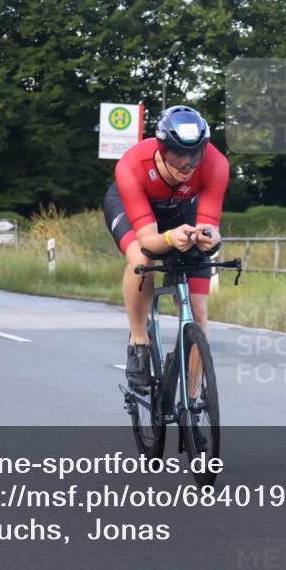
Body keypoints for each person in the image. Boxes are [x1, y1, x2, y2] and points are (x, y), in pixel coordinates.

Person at [103, 105, 228, 390]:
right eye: (177, 154)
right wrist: (171, 239)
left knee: (199, 312)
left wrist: (212, 239)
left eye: (194, 154)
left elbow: (211, 225)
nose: (186, 163)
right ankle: (139, 342)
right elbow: (148, 240)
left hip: (183, 213)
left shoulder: (216, 164)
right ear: (162, 149)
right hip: (132, 209)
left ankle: (193, 403)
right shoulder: (132, 164)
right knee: (141, 258)